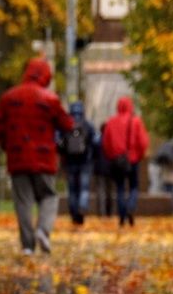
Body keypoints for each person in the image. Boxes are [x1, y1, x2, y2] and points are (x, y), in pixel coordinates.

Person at [0, 56, 73, 254]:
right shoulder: (50, 99)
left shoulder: (9, 98)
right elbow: (67, 125)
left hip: (18, 157)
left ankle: (27, 245)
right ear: (46, 76)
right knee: (49, 196)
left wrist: (8, 146)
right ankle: (43, 231)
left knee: (23, 201)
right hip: (44, 159)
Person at [100, 97, 150, 227]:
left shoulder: (111, 122)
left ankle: (122, 215)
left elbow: (106, 143)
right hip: (132, 159)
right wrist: (139, 155)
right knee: (134, 186)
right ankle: (131, 206)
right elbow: (143, 142)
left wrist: (111, 156)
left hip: (117, 160)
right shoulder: (136, 122)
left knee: (120, 188)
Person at [58, 101, 98, 226]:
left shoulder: (65, 125)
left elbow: (59, 143)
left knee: (72, 189)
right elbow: (97, 141)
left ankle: (74, 212)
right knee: (84, 187)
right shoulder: (87, 125)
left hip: (70, 163)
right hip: (85, 162)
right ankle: (82, 205)